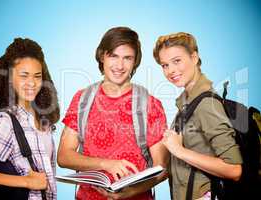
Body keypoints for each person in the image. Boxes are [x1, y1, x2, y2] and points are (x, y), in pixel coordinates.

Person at [57, 27, 168, 200]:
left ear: (135, 61)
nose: (120, 65)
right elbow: (64, 156)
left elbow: (162, 168)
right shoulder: (82, 99)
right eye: (113, 56)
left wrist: (131, 192)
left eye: (127, 58)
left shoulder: (150, 104)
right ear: (102, 56)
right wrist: (105, 164)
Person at [0, 38, 60, 200]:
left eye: (37, 76)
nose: (32, 83)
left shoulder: (44, 121)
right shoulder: (5, 120)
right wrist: (26, 182)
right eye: (24, 75)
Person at [153, 32, 243, 200]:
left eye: (177, 61)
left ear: (194, 57)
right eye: (165, 65)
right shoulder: (188, 103)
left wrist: (179, 150)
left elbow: (234, 169)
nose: (171, 70)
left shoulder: (206, 104)